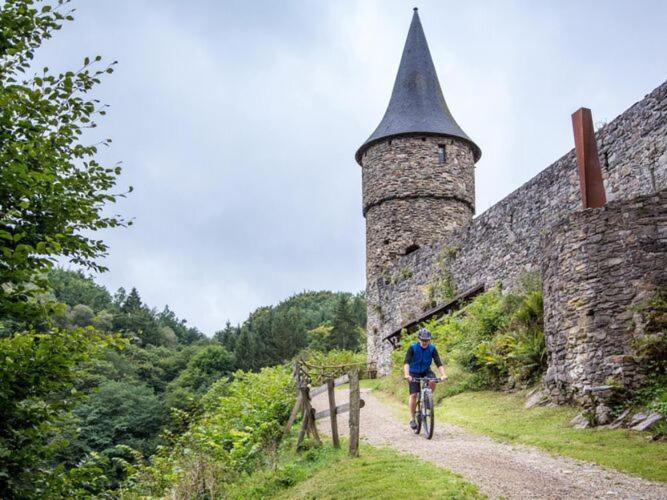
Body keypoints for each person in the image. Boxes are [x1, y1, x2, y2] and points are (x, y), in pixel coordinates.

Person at [403, 328, 447, 430]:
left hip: (426, 370)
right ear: (419, 339)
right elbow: (406, 363)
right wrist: (407, 374)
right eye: (422, 340)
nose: (424, 342)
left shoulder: (432, 348)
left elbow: (438, 363)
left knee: (433, 380)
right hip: (413, 372)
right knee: (414, 395)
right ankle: (412, 419)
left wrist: (443, 374)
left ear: (429, 340)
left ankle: (427, 399)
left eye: (426, 340)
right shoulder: (412, 348)